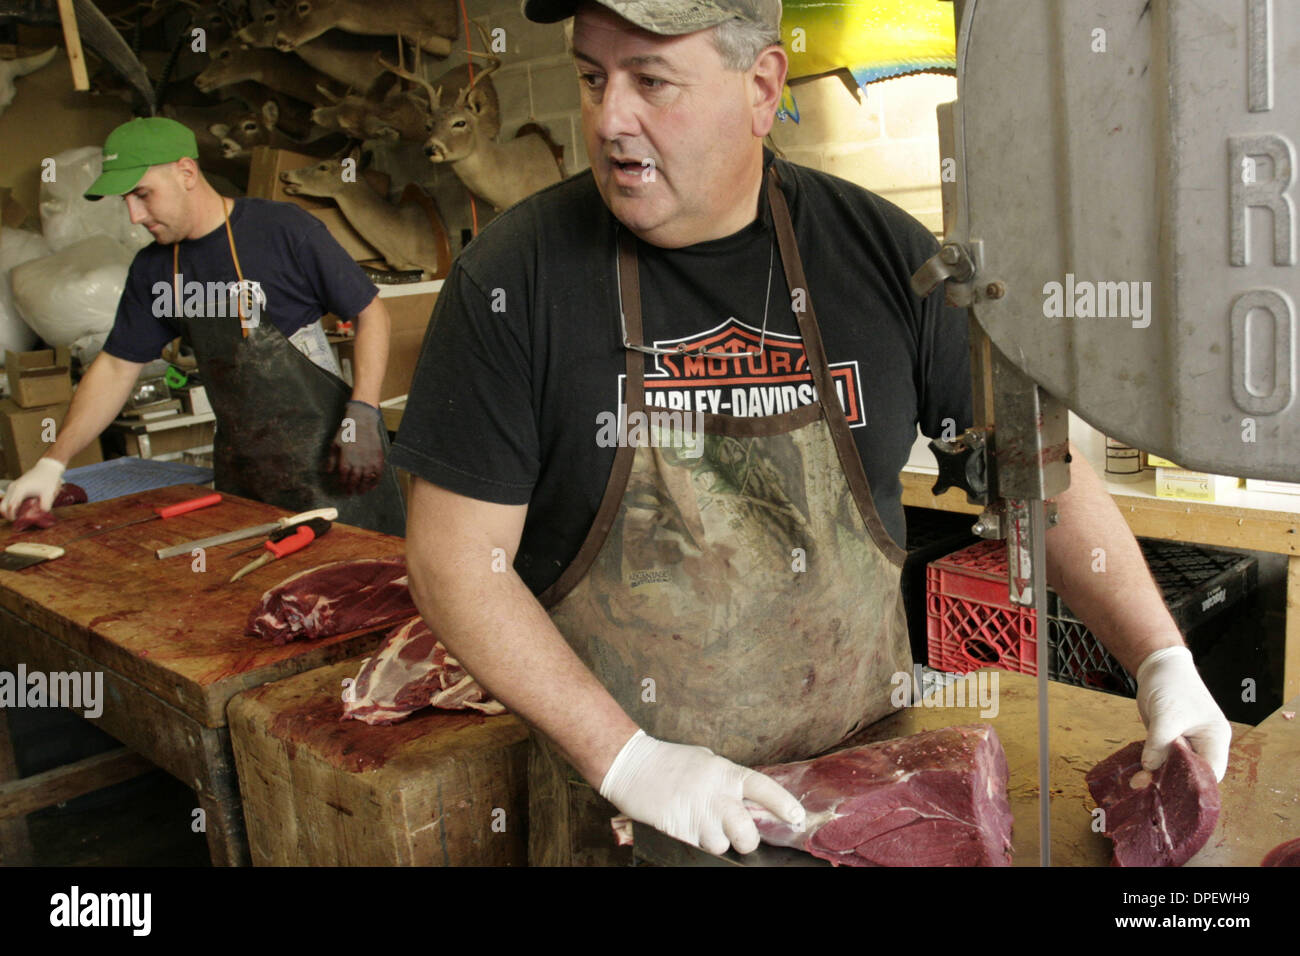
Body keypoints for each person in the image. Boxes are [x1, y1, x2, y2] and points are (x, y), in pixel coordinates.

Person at [392, 0, 1231, 863]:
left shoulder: (881, 254)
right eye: (592, 78)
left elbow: (1034, 472)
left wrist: (1161, 660)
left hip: (877, 805)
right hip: (629, 819)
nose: (610, 120)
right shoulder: (512, 278)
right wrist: (632, 761)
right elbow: (455, 561)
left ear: (761, 88)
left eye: (651, 81)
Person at [0, 117, 405, 535]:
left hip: (335, 461)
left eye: (143, 195)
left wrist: (362, 413)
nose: (135, 215)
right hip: (245, 474)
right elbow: (117, 367)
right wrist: (53, 463)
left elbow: (371, 312)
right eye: (126, 201)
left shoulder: (282, 229)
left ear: (186, 172)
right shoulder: (153, 269)